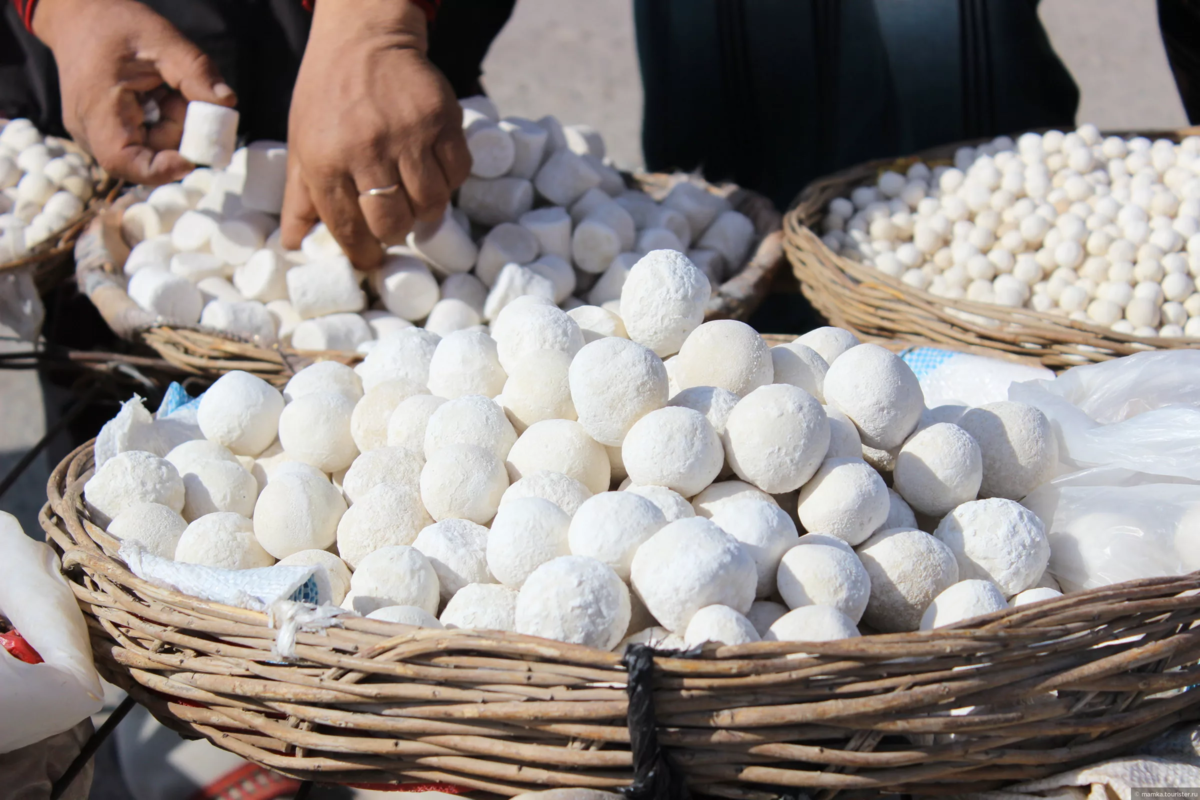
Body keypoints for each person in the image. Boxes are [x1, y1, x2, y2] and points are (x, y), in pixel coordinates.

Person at [2, 0, 515, 269]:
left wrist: (376, 23)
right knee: (97, 376)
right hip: (110, 48)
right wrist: (63, 9)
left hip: (373, 56)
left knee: (416, 167)